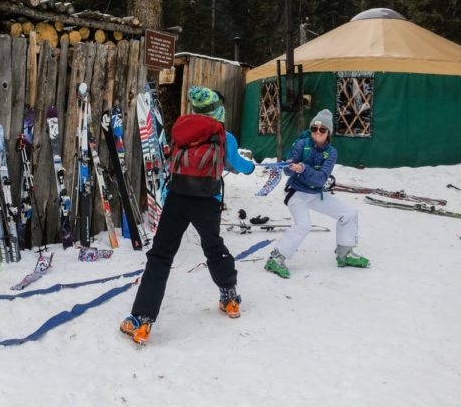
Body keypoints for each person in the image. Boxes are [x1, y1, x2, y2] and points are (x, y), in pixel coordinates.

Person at [119, 86, 255, 345]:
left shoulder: (182, 131)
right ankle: (229, 297)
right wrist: (250, 168)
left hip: (177, 197)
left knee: (160, 254)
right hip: (208, 201)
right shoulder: (225, 136)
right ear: (219, 110)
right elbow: (240, 165)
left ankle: (141, 319)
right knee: (213, 247)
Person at [264, 109, 370, 279]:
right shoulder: (301, 144)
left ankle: (345, 254)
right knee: (304, 225)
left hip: (315, 194)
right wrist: (290, 166)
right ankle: (275, 258)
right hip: (297, 193)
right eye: (314, 129)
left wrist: (304, 168)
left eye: (322, 130)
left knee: (349, 214)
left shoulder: (332, 152)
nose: (317, 133)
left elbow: (321, 180)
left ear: (328, 133)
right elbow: (287, 171)